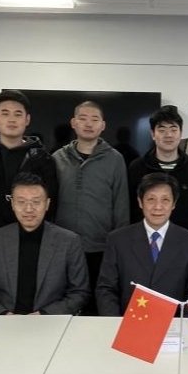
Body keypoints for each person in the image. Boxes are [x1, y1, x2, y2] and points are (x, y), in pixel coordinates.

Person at [0, 173, 90, 315]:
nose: (29, 209)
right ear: (12, 204)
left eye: (36, 202)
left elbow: (79, 293)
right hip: (5, 321)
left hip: (50, 321)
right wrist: (5, 315)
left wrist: (43, 314)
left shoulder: (69, 241)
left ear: (47, 204)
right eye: (21, 202)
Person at [52, 101, 129, 315]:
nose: (89, 124)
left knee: (99, 306)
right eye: (83, 118)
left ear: (102, 125)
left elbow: (121, 206)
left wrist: (119, 248)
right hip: (63, 248)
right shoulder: (57, 158)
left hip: (101, 248)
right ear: (73, 123)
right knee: (65, 305)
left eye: (94, 119)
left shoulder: (115, 160)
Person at [0, 89, 58, 261]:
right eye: (5, 113)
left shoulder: (43, 158)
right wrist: (4, 231)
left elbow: (50, 202)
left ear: (27, 119)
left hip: (31, 238)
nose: (12, 119)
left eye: (18, 114)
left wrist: (21, 230)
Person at [96, 173, 188, 315]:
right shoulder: (118, 240)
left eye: (165, 200)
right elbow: (106, 289)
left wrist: (181, 324)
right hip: (127, 322)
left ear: (174, 203)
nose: (158, 207)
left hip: (174, 324)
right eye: (151, 199)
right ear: (140, 202)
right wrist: (115, 322)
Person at [127, 105, 188, 232]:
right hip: (144, 237)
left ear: (181, 133)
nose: (168, 135)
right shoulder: (137, 168)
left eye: (173, 129)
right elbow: (131, 207)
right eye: (162, 130)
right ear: (153, 134)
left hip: (184, 238)